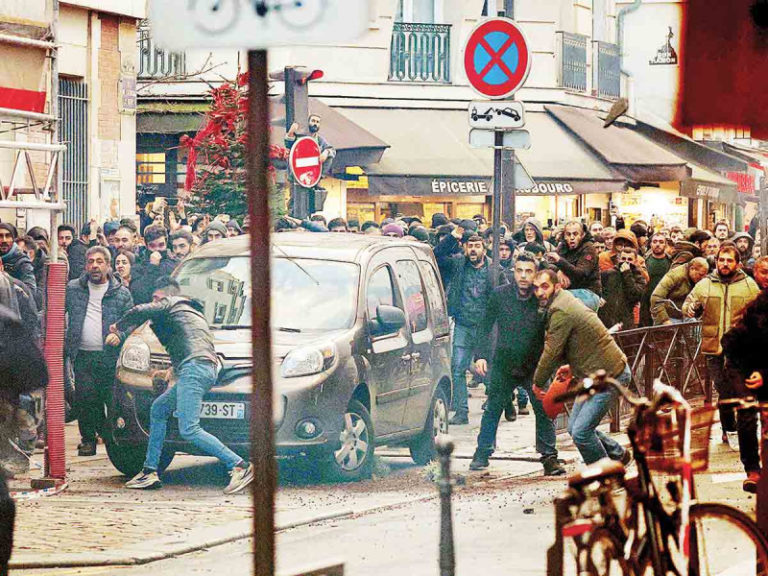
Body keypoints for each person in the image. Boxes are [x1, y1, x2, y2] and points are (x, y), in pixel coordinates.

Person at [108, 277, 254, 494]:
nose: (155, 302)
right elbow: (189, 345)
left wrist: (117, 327)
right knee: (159, 409)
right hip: (201, 369)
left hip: (194, 371)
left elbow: (139, 310)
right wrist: (172, 370)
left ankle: (239, 465)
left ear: (167, 295)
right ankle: (149, 471)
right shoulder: (192, 313)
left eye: (156, 298)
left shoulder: (171, 303)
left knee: (189, 429)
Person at [468, 254, 564, 475]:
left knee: (543, 411)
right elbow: (484, 325)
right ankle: (482, 453)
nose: (523, 276)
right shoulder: (500, 295)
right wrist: (480, 356)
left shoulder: (542, 299)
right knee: (492, 409)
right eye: (519, 270)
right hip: (504, 363)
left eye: (529, 271)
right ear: (513, 272)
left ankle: (549, 457)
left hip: (534, 365)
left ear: (536, 274)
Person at [531, 269, 631, 466]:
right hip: (594, 374)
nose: (540, 292)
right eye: (536, 288)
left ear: (556, 287)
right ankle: (619, 455)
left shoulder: (561, 310)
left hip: (610, 376)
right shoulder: (563, 302)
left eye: (544, 287)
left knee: (581, 432)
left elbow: (552, 352)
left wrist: (538, 382)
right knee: (575, 428)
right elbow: (580, 342)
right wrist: (571, 366)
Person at [683, 245, 759, 454]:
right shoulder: (705, 284)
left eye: (729, 260)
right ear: (716, 262)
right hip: (713, 348)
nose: (725, 264)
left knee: (737, 390)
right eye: (721, 260)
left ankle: (733, 429)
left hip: (739, 348)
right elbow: (688, 304)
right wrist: (691, 309)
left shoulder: (749, 285)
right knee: (724, 389)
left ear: (738, 264)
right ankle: (730, 430)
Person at [65, 246, 133, 456]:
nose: (94, 266)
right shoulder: (73, 288)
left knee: (108, 398)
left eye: (99, 261)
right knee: (85, 399)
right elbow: (56, 312)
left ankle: (110, 437)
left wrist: (120, 335)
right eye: (91, 261)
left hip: (109, 356)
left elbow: (132, 322)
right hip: (83, 355)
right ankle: (88, 440)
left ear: (108, 266)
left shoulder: (121, 293)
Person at [434, 228, 493, 425]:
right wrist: (453, 237)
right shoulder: (459, 264)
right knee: (458, 369)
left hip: (486, 327)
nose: (473, 249)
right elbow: (437, 255)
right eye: (470, 246)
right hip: (463, 324)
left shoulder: (494, 269)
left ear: (484, 249)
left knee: (490, 369)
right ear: (465, 248)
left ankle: (499, 403)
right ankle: (461, 411)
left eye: (477, 246)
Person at [722, 255, 768, 492]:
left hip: (763, 368)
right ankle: (752, 469)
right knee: (748, 411)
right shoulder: (761, 304)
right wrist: (756, 373)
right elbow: (733, 342)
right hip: (742, 364)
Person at [598, 244, 647, 330]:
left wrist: (627, 274)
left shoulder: (639, 278)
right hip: (605, 319)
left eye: (630, 259)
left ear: (635, 261)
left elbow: (635, 295)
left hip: (626, 320)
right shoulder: (608, 274)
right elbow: (597, 287)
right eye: (623, 259)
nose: (626, 262)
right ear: (619, 259)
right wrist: (599, 297)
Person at [546, 220, 601, 296]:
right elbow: (548, 265)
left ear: (582, 235)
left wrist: (560, 262)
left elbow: (581, 274)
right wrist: (559, 270)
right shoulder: (562, 247)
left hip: (588, 291)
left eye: (575, 234)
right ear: (565, 236)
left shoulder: (589, 248)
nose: (572, 237)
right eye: (568, 234)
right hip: (569, 290)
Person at [649, 257, 709, 325]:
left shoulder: (699, 281)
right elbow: (656, 298)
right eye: (700, 275)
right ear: (692, 269)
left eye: (705, 276)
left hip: (685, 316)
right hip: (668, 316)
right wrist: (665, 320)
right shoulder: (674, 276)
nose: (703, 278)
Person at [131, 225, 178, 305]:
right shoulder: (138, 267)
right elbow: (139, 295)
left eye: (161, 245)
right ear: (146, 245)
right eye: (152, 246)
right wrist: (152, 267)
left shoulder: (175, 264)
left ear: (166, 243)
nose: (157, 249)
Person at [640, 232, 672, 326]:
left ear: (665, 244)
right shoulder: (644, 261)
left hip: (665, 302)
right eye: (655, 242)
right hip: (646, 303)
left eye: (661, 242)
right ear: (650, 244)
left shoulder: (671, 262)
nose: (658, 244)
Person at [0, 223, 36, 296]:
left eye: (8, 236)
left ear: (13, 239)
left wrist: (5, 278)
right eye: (0, 236)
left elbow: (31, 291)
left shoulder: (22, 262)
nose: (4, 240)